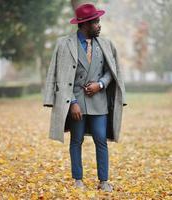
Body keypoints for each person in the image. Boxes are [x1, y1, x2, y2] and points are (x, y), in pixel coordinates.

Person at [43, 3, 126, 192]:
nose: (99, 25)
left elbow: (111, 72)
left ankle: (103, 181)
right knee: (76, 140)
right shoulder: (64, 44)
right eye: (96, 22)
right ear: (85, 24)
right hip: (76, 102)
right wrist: (72, 102)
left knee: (100, 140)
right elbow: (61, 77)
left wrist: (101, 85)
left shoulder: (106, 44)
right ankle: (77, 179)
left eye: (98, 21)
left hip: (99, 102)